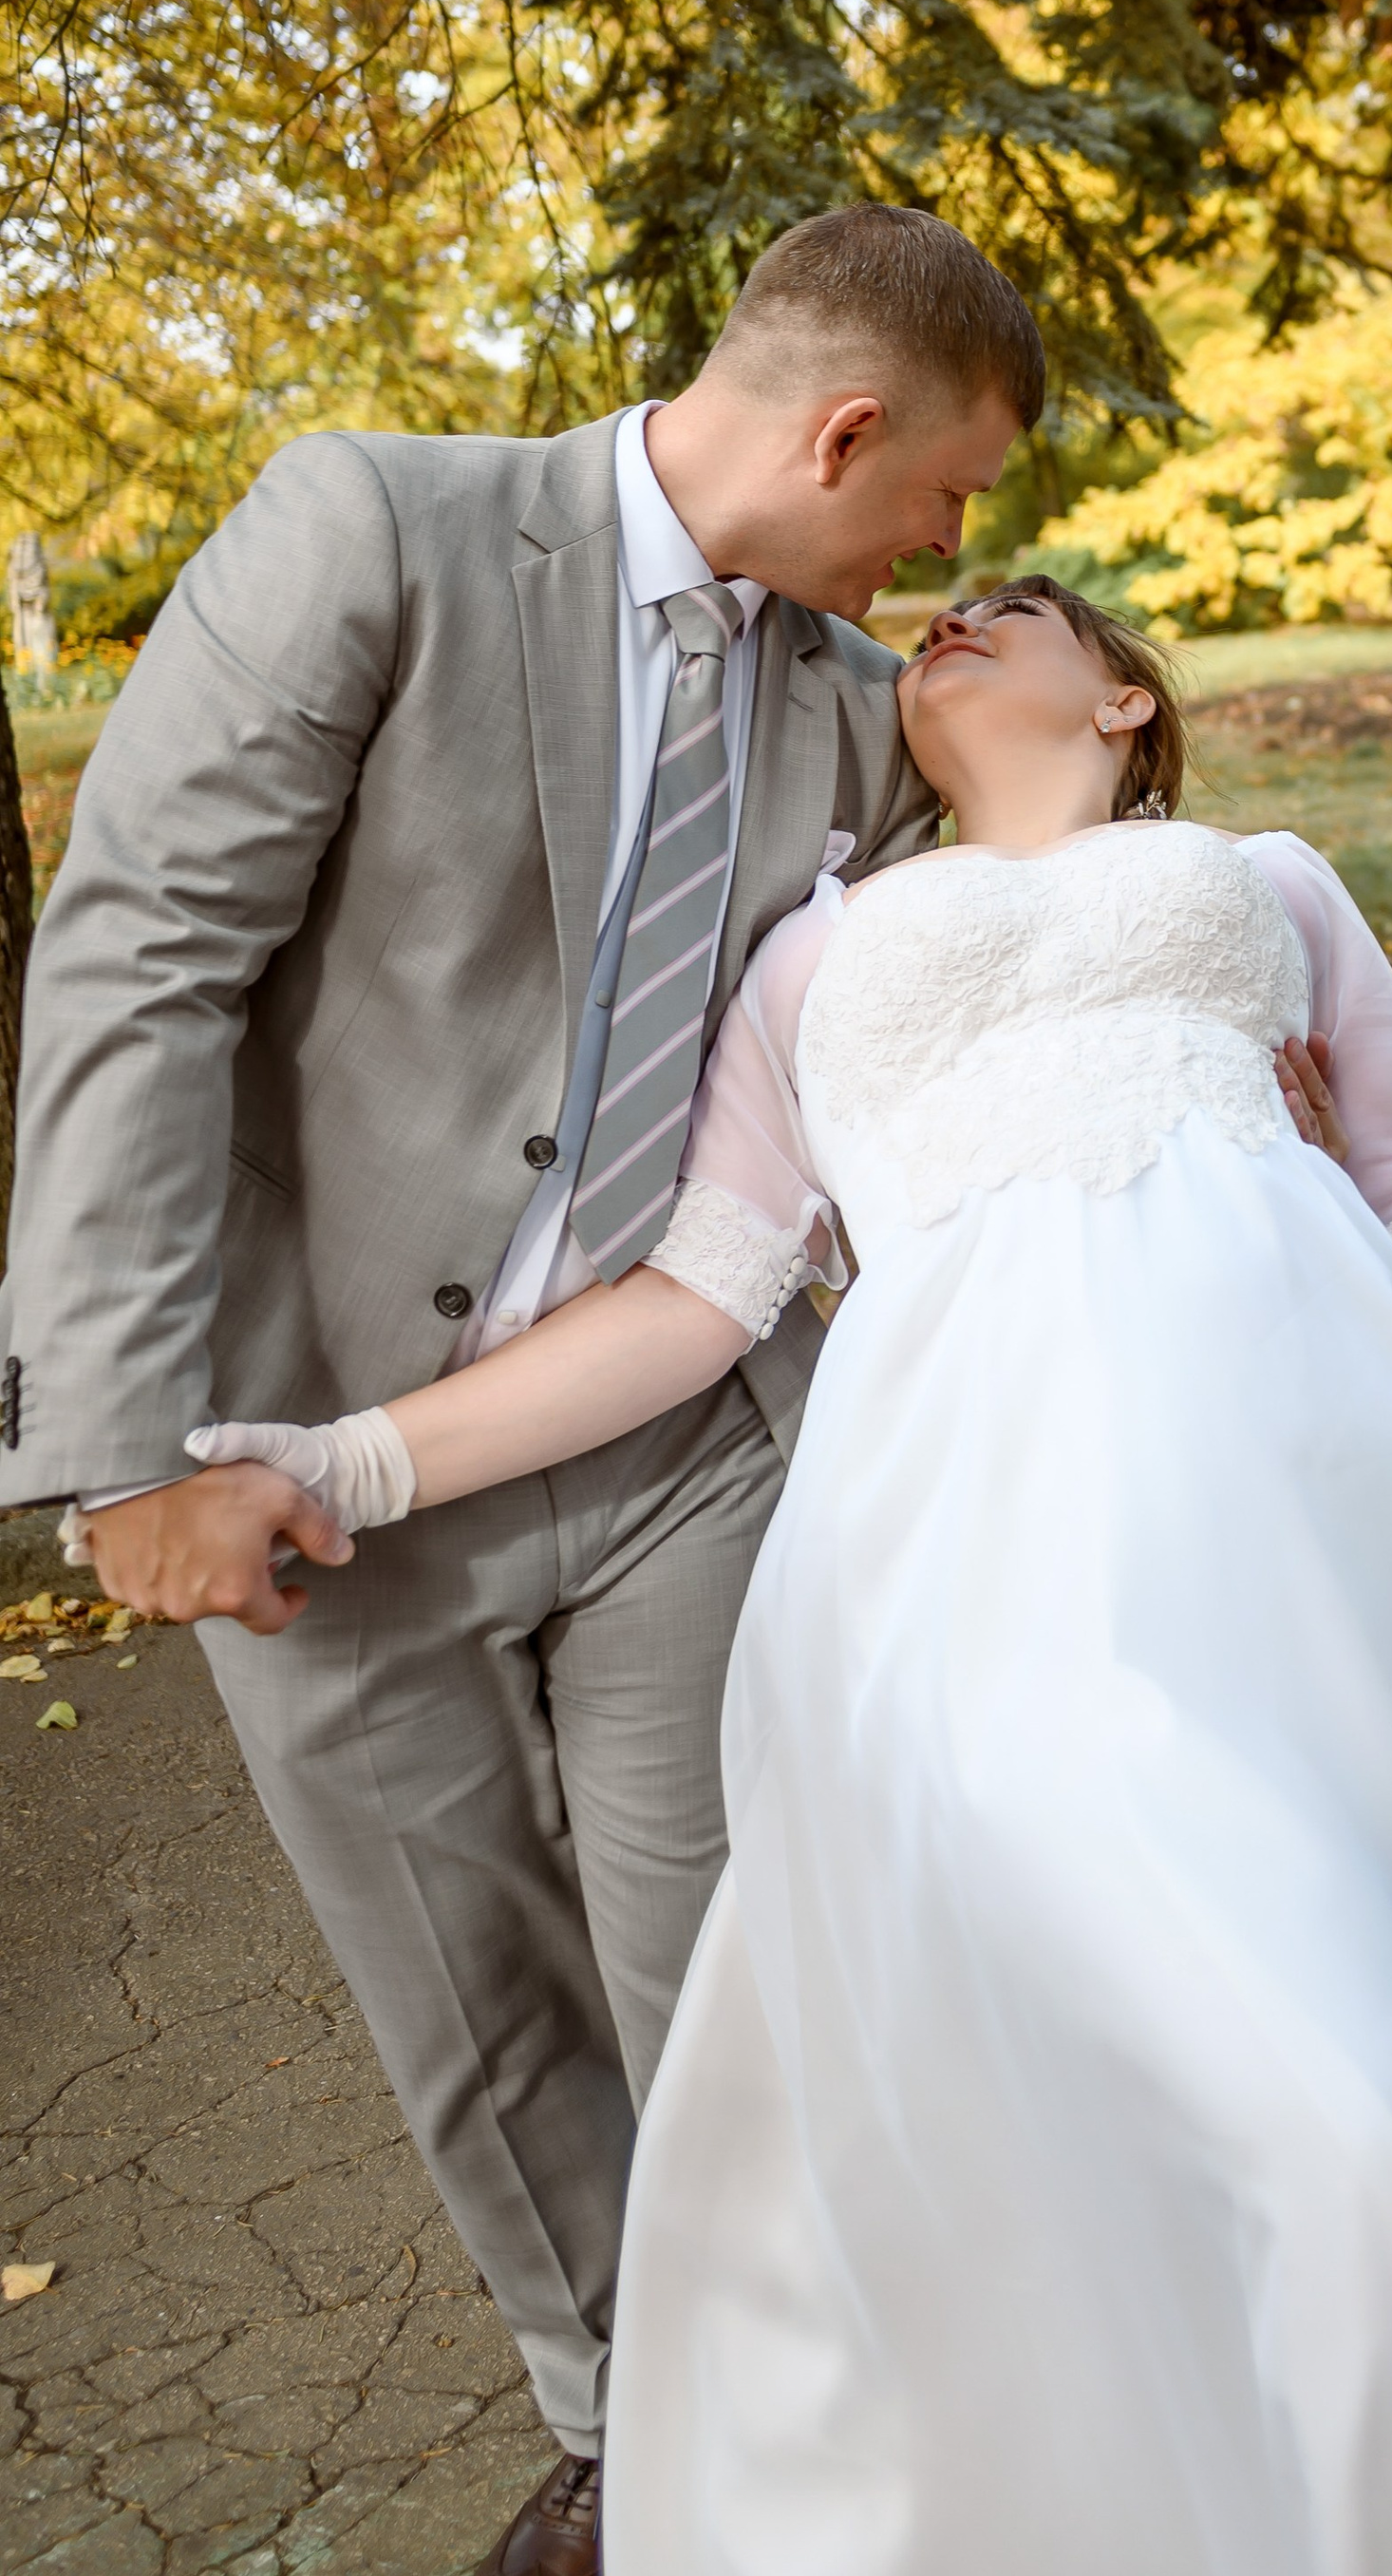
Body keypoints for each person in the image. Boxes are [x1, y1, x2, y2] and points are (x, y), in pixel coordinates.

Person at [182, 578, 1392, 2575]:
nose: (954, 620)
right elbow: (690, 1300)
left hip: (1341, 1530)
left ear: (1126, 697)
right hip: (977, 1554)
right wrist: (359, 1454)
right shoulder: (810, 954)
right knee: (1143, 2008)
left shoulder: (1263, 879)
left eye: (1021, 607)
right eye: (943, 608)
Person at [0, 206, 1045, 2576]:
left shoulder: (837, 704)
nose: (947, 552)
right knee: (473, 2008)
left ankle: (828, 2459)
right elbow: (141, 959)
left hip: (676, 1449)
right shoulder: (376, 529)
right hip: (320, 1461)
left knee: (739, 1977)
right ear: (850, 431)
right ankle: (635, 2445)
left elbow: (952, 978)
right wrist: (127, 1442)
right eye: (945, 497)